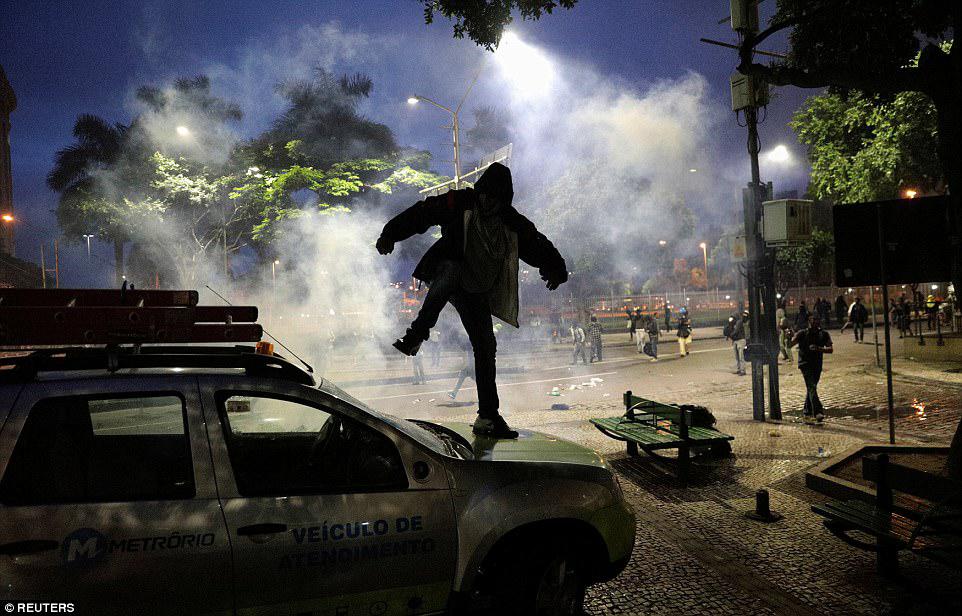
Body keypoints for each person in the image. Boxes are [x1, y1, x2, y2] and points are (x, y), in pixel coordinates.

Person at [377, 162, 567, 438]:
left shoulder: (511, 222)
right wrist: (390, 233)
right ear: (478, 192)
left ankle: (488, 416)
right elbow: (422, 213)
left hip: (475, 289)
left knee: (486, 346)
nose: (487, 202)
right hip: (448, 273)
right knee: (452, 270)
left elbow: (536, 243)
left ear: (503, 201)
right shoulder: (458, 202)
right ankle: (417, 333)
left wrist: (556, 269)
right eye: (484, 195)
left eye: (494, 198)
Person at [789, 315, 833, 423]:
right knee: (812, 386)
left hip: (817, 365)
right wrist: (789, 336)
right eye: (813, 320)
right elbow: (790, 344)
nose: (815, 322)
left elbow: (830, 349)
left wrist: (819, 349)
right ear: (809, 321)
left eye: (817, 319)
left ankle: (806, 411)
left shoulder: (824, 334)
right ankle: (818, 412)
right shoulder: (802, 333)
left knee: (811, 388)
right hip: (805, 364)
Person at [727, 310, 747, 375]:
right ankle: (739, 369)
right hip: (735, 341)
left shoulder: (739, 322)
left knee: (741, 357)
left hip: (740, 340)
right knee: (737, 357)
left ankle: (743, 370)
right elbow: (729, 329)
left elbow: (736, 331)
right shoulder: (733, 323)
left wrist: (730, 335)